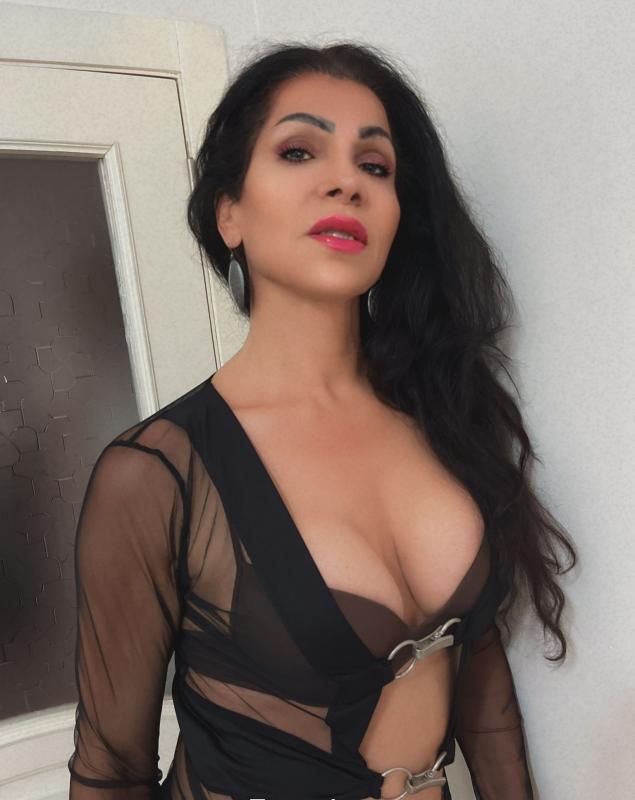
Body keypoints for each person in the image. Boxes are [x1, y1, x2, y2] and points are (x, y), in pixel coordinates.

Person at [67, 42, 577, 800]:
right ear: (230, 213)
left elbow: (484, 693)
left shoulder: (443, 417)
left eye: (375, 166)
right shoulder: (156, 474)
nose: (346, 181)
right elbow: (111, 770)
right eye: (300, 151)